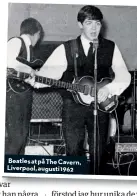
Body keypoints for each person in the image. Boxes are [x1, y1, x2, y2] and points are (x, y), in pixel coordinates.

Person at [28, 5, 131, 174]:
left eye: (97, 24)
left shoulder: (110, 47)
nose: (94, 28)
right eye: (89, 23)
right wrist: (35, 79)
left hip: (100, 106)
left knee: (99, 153)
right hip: (73, 108)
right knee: (73, 153)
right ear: (80, 24)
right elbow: (49, 73)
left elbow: (124, 76)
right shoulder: (66, 48)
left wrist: (111, 88)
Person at [6, 17, 44, 155]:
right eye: (39, 36)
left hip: (24, 97)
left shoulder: (30, 52)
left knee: (22, 138)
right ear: (37, 33)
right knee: (16, 139)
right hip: (13, 96)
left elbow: (22, 73)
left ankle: (18, 170)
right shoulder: (16, 41)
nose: (38, 40)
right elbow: (9, 62)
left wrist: (34, 80)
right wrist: (30, 70)